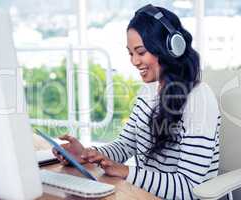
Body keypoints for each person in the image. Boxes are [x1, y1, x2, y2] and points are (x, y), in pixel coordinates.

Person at [53, 4, 221, 199]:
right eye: (130, 53)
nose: (134, 61)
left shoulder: (199, 99)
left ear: (170, 49)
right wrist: (86, 154)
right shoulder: (149, 91)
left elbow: (189, 187)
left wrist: (125, 171)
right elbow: (125, 145)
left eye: (141, 52)